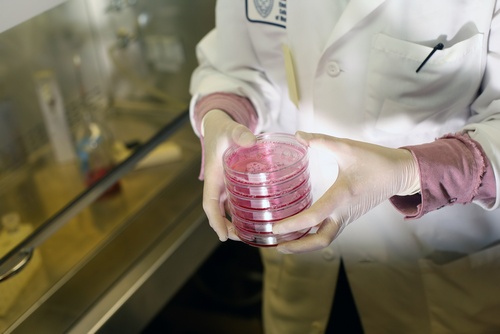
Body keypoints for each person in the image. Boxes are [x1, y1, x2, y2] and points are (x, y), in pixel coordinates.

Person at [189, 1, 500, 333]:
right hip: (299, 269)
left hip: (432, 274)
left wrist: (409, 171)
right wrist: (224, 115)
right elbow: (239, 67)